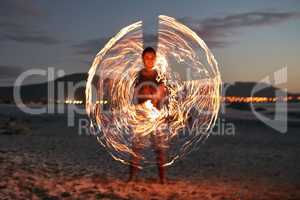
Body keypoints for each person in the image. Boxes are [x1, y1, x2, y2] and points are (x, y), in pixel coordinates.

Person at [129, 47, 168, 184]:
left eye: (152, 57)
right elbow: (134, 94)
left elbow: (163, 91)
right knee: (136, 148)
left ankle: (162, 179)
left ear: (155, 59)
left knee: (159, 149)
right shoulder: (138, 75)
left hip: (155, 115)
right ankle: (132, 177)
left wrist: (156, 95)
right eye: (147, 57)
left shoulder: (160, 75)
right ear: (143, 59)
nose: (149, 60)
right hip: (141, 114)